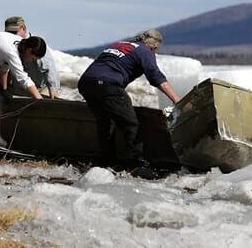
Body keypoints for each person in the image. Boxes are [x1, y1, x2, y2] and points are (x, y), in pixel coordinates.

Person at [77, 29, 181, 168]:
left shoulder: (118, 44)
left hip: (86, 83)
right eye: (155, 49)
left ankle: (107, 162)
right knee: (130, 124)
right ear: (153, 45)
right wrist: (176, 99)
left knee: (105, 123)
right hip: (108, 85)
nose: (154, 52)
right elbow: (155, 76)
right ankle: (136, 164)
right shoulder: (145, 51)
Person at [4, 16, 60, 99]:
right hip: (18, 91)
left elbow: (49, 70)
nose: (11, 35)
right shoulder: (8, 45)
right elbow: (6, 68)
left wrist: (53, 91)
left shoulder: (37, 45)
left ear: (24, 29)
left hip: (39, 90)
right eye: (9, 33)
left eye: (14, 32)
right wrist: (6, 90)